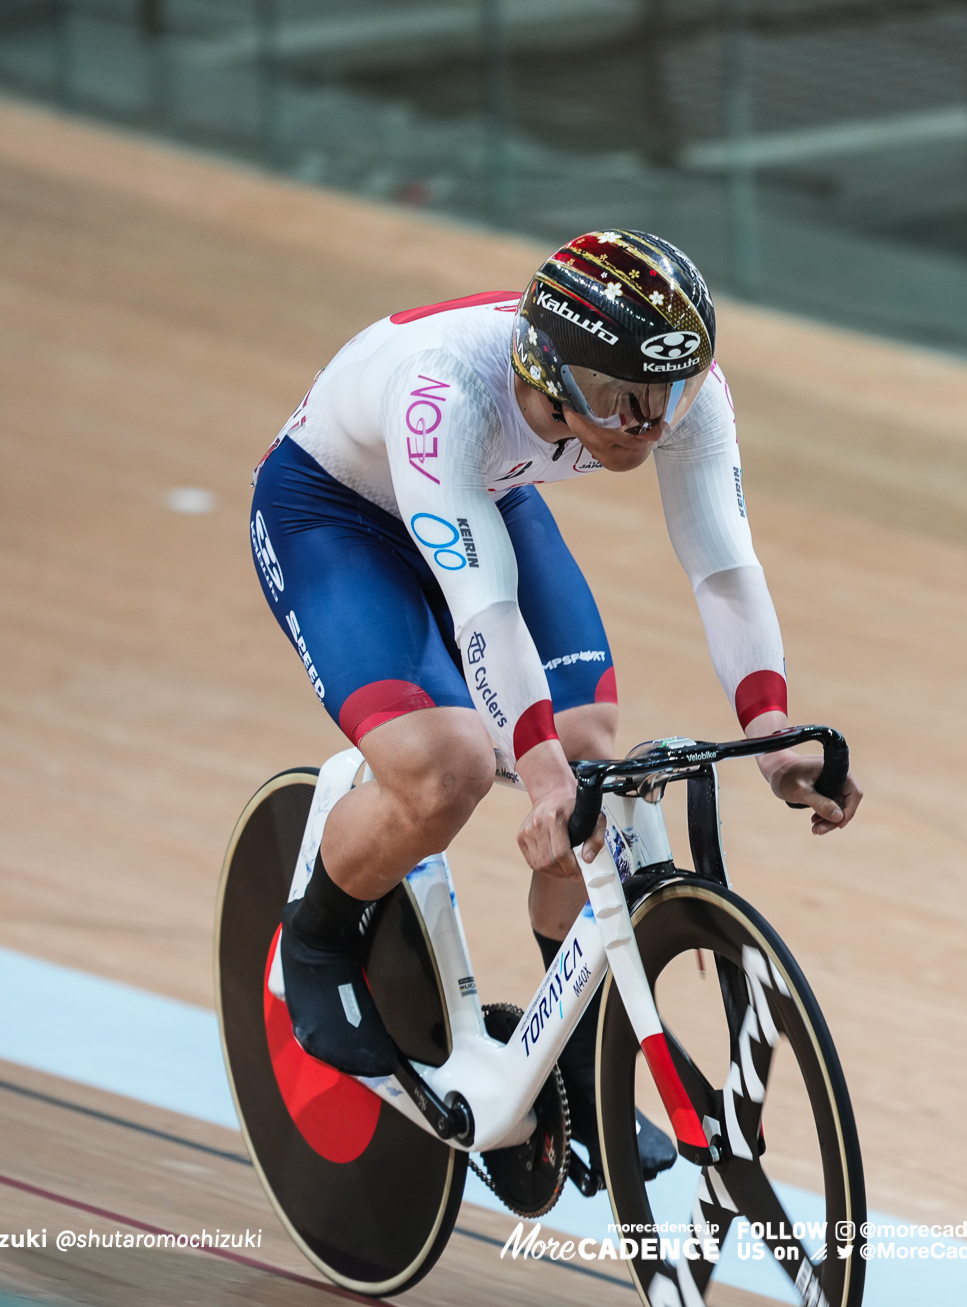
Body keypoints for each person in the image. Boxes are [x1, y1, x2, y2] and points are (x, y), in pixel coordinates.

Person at [246, 229, 862, 1180]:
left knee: (593, 761)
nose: (652, 425)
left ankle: (569, 1056)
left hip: (479, 493)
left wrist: (771, 725)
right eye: (624, 403)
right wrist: (537, 785)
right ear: (550, 370)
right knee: (446, 768)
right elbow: (485, 609)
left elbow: (725, 566)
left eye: (670, 397)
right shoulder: (448, 389)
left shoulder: (667, 394)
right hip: (335, 512)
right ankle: (316, 949)